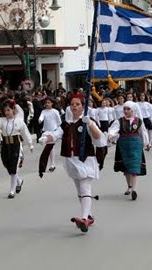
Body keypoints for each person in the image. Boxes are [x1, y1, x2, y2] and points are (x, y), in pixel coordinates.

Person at [38, 93, 105, 233]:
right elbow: (55, 134)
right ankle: (89, 215)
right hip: (71, 161)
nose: (74, 106)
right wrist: (45, 138)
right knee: (80, 190)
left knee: (85, 187)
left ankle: (84, 218)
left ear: (82, 107)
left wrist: (90, 123)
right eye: (72, 104)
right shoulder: (66, 124)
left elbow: (98, 137)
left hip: (86, 159)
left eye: (77, 104)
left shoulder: (87, 121)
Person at [0, 99, 33, 199]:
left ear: (13, 110)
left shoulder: (19, 121)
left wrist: (30, 144)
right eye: (5, 110)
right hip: (5, 145)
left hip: (15, 145)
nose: (6, 112)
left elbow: (25, 133)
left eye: (8, 110)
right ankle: (19, 181)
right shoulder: (2, 121)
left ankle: (12, 190)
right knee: (7, 165)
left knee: (13, 167)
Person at [108, 101, 149, 201]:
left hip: (136, 145)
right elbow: (113, 130)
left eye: (128, 109)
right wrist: (111, 135)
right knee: (126, 167)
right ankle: (129, 186)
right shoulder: (119, 121)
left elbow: (143, 132)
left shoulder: (138, 121)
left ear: (133, 110)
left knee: (134, 167)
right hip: (124, 144)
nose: (126, 111)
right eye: (124, 109)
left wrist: (147, 143)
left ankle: (134, 190)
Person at [38, 97, 62, 175]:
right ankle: (52, 164)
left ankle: (52, 164)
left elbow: (59, 121)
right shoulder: (43, 111)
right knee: (49, 147)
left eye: (49, 102)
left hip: (54, 131)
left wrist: (59, 129)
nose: (47, 104)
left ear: (52, 103)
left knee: (50, 147)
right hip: (46, 131)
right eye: (46, 103)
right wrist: (40, 119)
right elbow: (41, 116)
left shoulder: (55, 111)